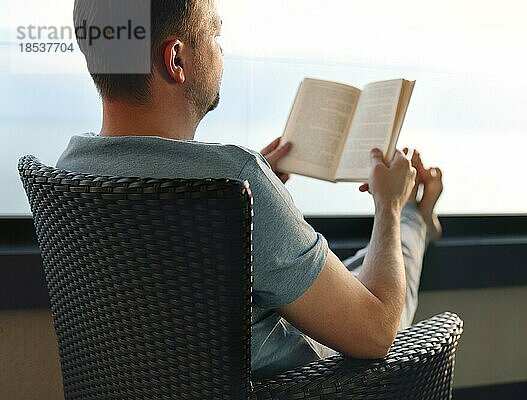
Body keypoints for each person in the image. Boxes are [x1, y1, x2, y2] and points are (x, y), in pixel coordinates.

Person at [58, 0, 443, 379]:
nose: (221, 50)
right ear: (176, 60)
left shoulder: (69, 170)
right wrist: (390, 205)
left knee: (356, 270)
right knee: (389, 269)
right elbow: (376, 331)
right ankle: (417, 218)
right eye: (215, 34)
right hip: (306, 382)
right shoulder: (236, 177)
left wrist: (242, 193)